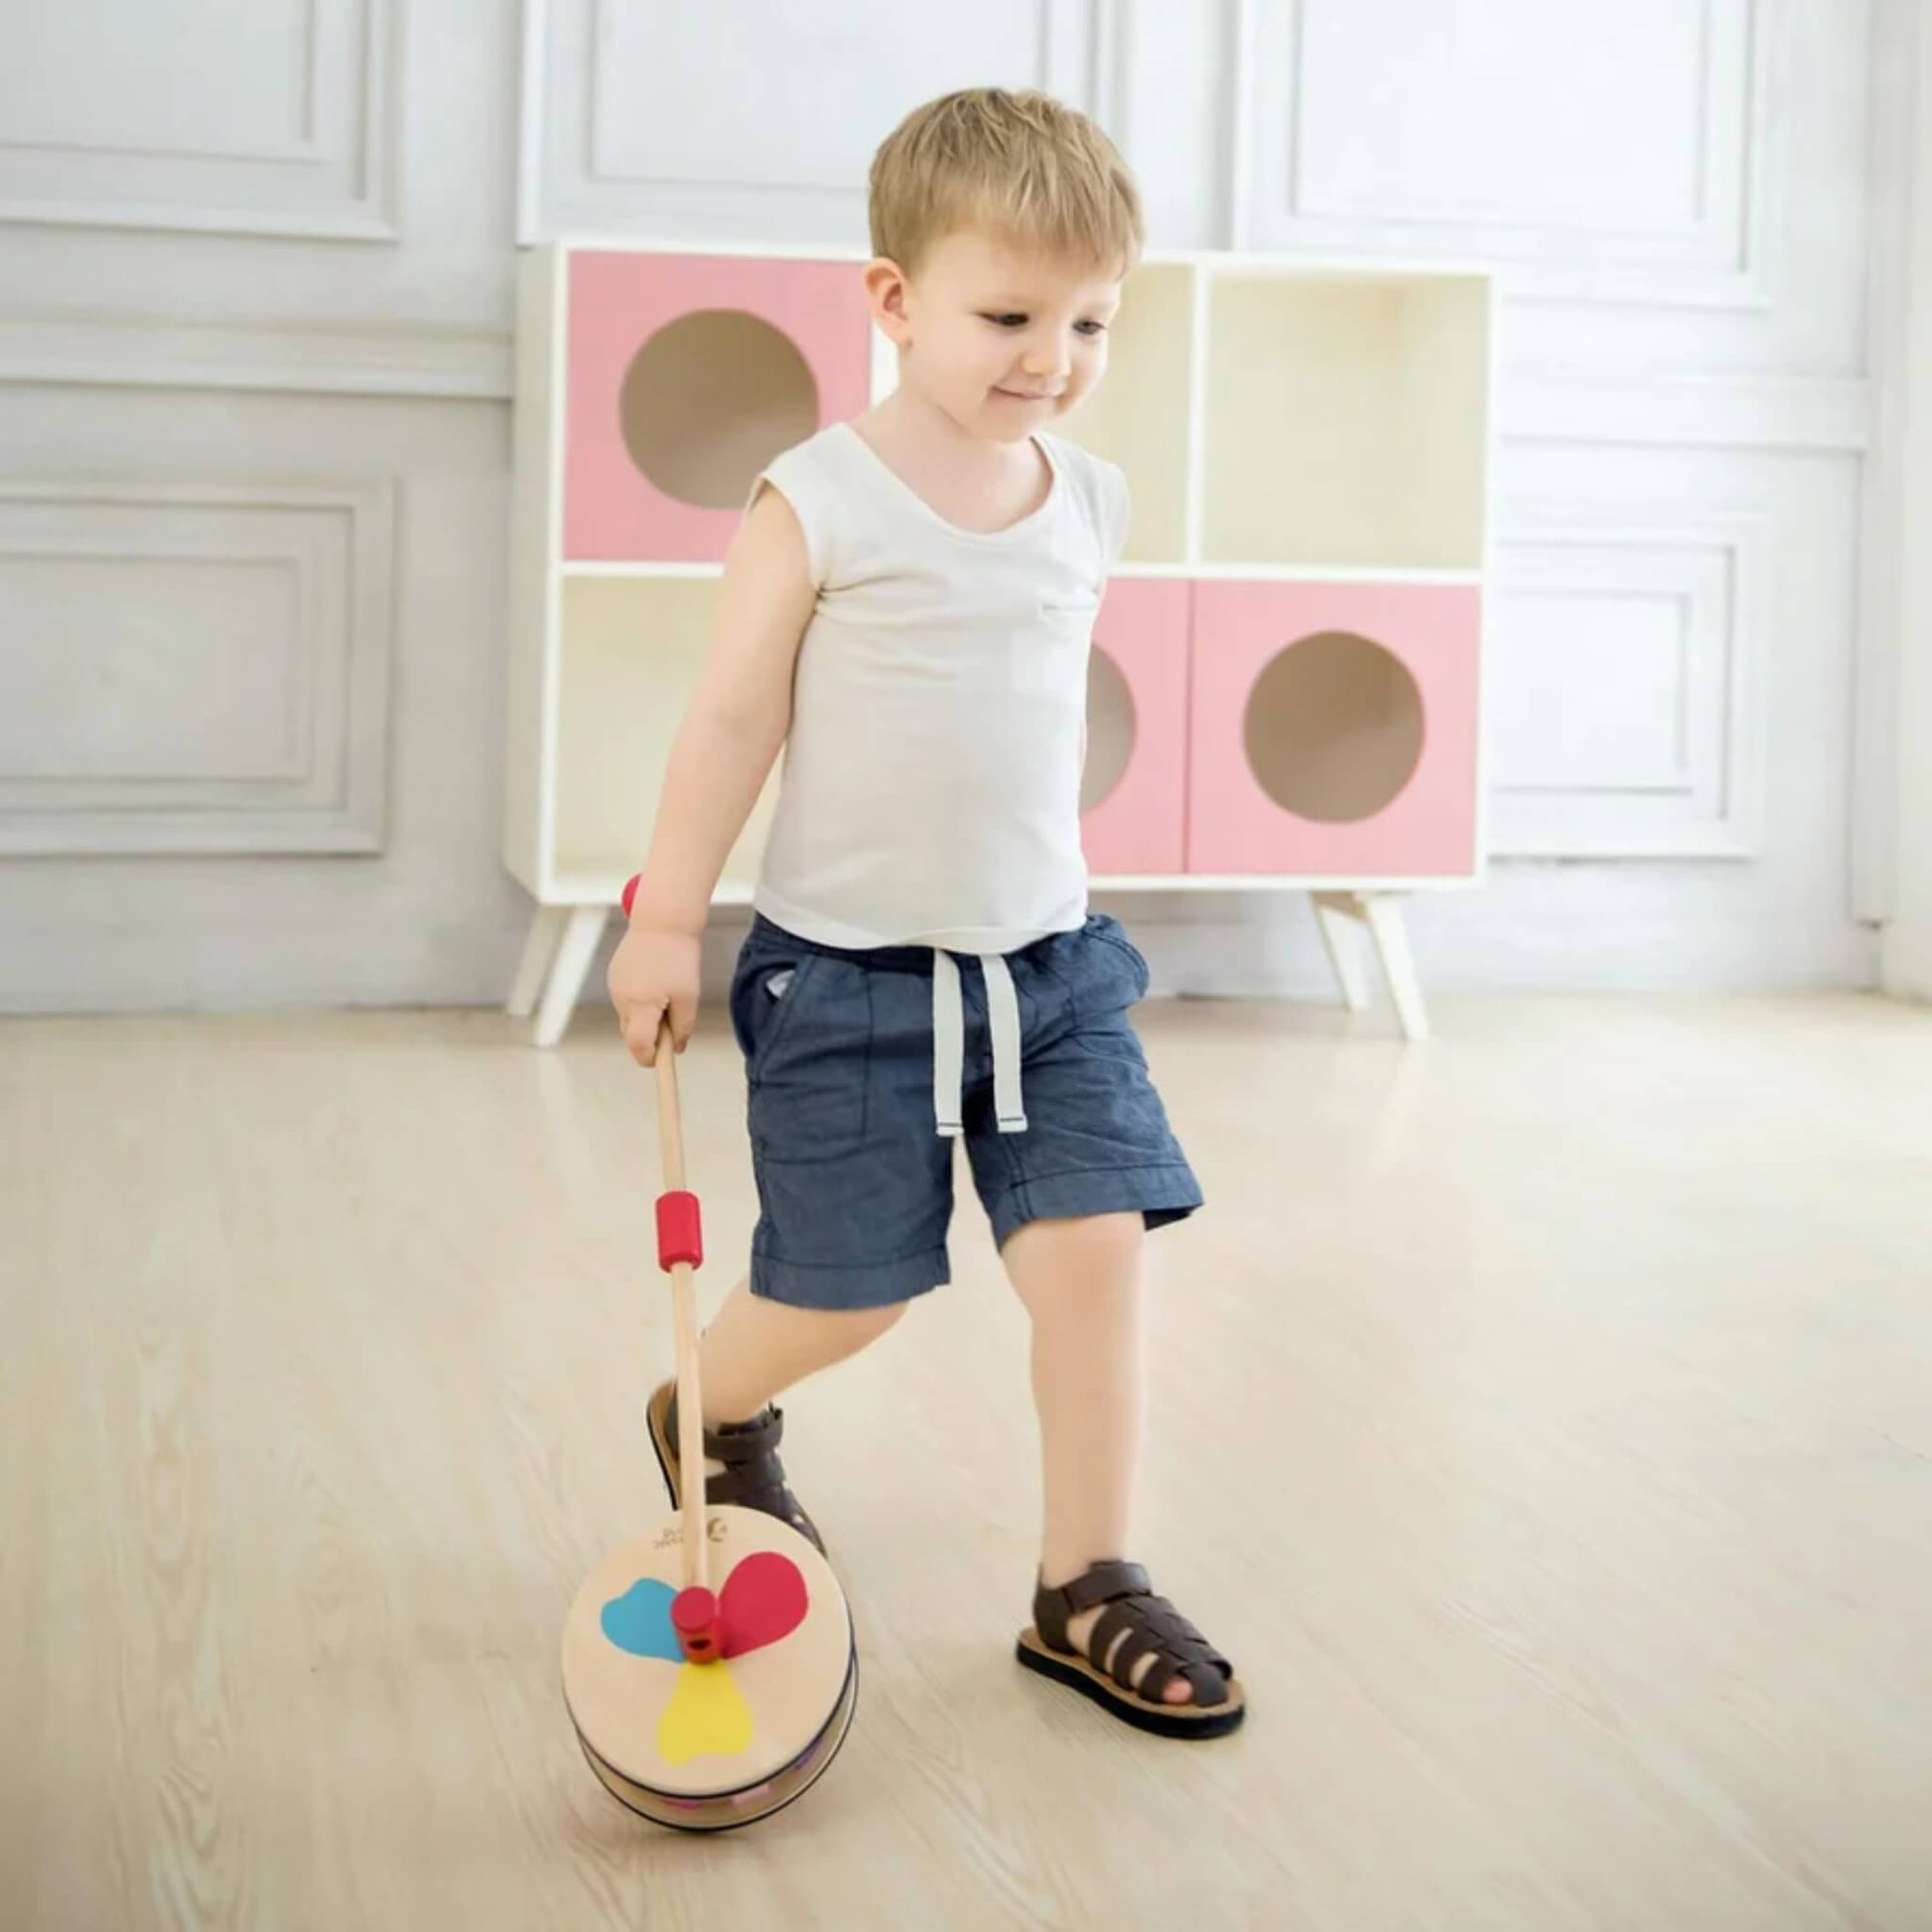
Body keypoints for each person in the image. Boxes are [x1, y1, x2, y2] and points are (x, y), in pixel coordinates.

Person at [608, 86, 1242, 1736]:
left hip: (1048, 969)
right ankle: (711, 1407)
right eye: (1008, 314)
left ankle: (1082, 1579)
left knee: (1095, 1252)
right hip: (851, 983)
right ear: (893, 302)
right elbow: (732, 719)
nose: (1049, 355)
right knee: (848, 1293)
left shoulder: (1087, 499)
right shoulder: (818, 497)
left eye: (1089, 318)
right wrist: (667, 918)